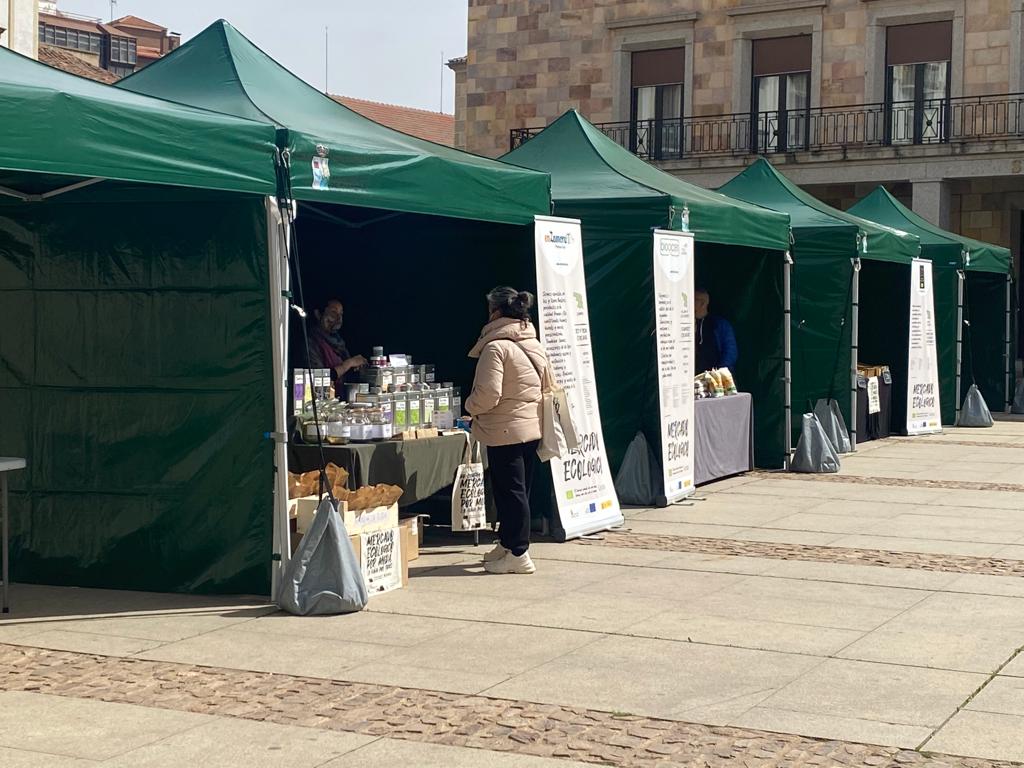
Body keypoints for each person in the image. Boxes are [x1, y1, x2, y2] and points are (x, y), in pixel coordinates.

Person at [466, 286, 551, 575]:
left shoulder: (496, 347)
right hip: (530, 427)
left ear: (496, 312)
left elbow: (489, 394)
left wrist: (469, 405)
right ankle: (507, 543)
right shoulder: (532, 342)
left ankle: (518, 552)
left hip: (505, 428)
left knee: (510, 492)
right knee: (517, 490)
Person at [307, 299, 366, 392]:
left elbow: (346, 373)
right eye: (333, 313)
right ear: (318, 314)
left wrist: (357, 367)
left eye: (341, 314)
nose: (338, 318)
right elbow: (319, 378)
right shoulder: (311, 342)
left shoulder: (338, 342)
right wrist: (349, 363)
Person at [694, 287, 738, 373]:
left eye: (694, 299)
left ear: (703, 303)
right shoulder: (684, 323)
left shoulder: (719, 325)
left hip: (715, 380)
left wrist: (719, 372)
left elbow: (730, 351)